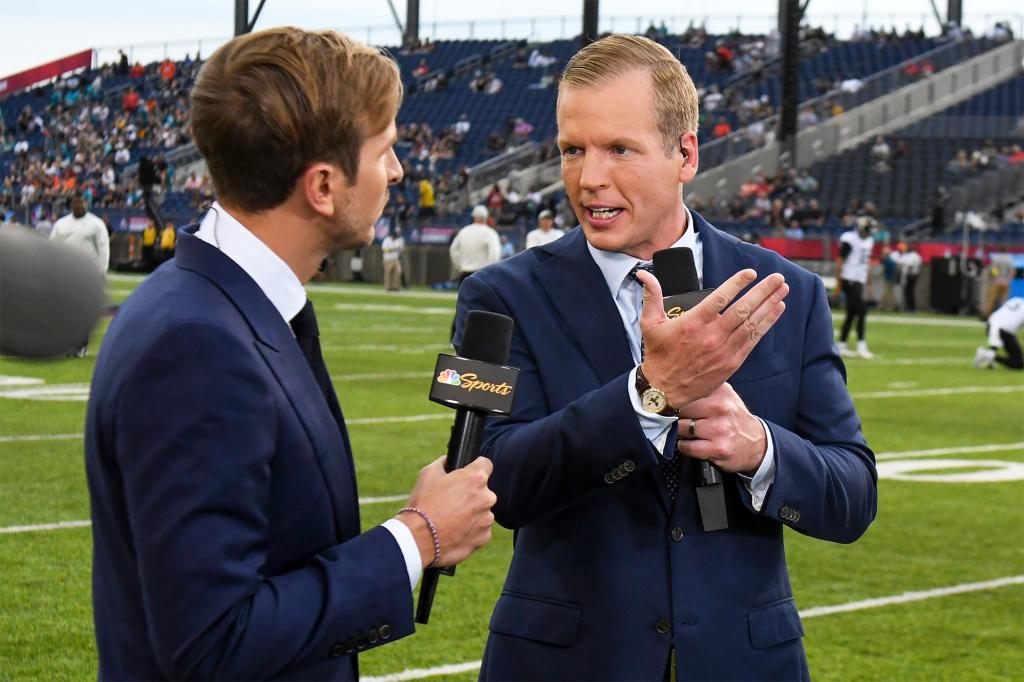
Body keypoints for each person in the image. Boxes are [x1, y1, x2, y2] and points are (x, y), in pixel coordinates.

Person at [454, 35, 877, 681]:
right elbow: (493, 483)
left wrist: (760, 448)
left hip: (744, 663)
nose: (589, 177)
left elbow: (852, 497)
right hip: (566, 664)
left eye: (619, 148)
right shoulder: (496, 296)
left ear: (686, 153)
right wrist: (649, 395)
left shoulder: (784, 291)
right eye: (573, 150)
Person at [84, 28, 497, 681]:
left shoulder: (226, 303)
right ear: (324, 186)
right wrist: (418, 538)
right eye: (385, 149)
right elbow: (212, 642)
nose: (397, 171)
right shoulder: (195, 344)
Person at [50, 194, 109, 356]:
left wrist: (101, 271)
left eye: (81, 202)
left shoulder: (96, 224)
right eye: (75, 202)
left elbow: (104, 249)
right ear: (70, 205)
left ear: (85, 203)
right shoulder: (61, 224)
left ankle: (80, 346)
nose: (78, 205)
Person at [835, 216, 876, 358]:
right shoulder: (849, 239)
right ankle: (861, 345)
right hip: (849, 279)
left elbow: (866, 263)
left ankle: (841, 344)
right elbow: (840, 261)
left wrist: (869, 281)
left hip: (859, 279)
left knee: (851, 313)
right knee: (862, 311)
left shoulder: (869, 241)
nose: (868, 233)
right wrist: (839, 284)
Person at [449, 205, 500, 285]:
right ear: (486, 217)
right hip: (483, 274)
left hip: (465, 273)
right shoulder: (490, 233)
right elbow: (495, 254)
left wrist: (459, 265)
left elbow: (453, 249)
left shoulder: (463, 231)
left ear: (473, 216)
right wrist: (490, 270)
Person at [973, 297, 1024, 369]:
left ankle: (990, 358)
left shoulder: (1017, 299)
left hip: (991, 324)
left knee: (1014, 355)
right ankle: (985, 354)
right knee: (1018, 363)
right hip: (1003, 330)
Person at [899, 243, 923, 313]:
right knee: (908, 293)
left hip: (911, 276)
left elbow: (910, 266)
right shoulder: (908, 255)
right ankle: (909, 307)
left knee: (909, 292)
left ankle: (911, 308)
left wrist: (908, 274)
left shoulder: (914, 256)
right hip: (909, 275)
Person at [381, 226, 405, 292]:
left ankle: (395, 287)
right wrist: (392, 249)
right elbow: (384, 250)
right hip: (388, 259)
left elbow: (401, 249)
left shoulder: (397, 240)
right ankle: (387, 287)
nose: (395, 237)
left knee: (397, 272)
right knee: (388, 274)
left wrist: (399, 249)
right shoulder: (387, 240)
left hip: (395, 259)